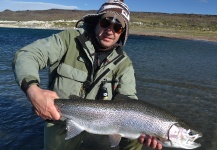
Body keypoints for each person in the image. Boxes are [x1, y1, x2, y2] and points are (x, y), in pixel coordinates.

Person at [12, 0, 162, 149]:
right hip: (62, 120)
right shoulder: (69, 40)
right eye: (105, 23)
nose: (110, 30)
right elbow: (27, 55)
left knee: (136, 137)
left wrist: (148, 128)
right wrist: (33, 90)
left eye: (117, 27)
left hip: (104, 125)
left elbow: (129, 99)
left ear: (122, 33)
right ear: (97, 22)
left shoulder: (124, 64)